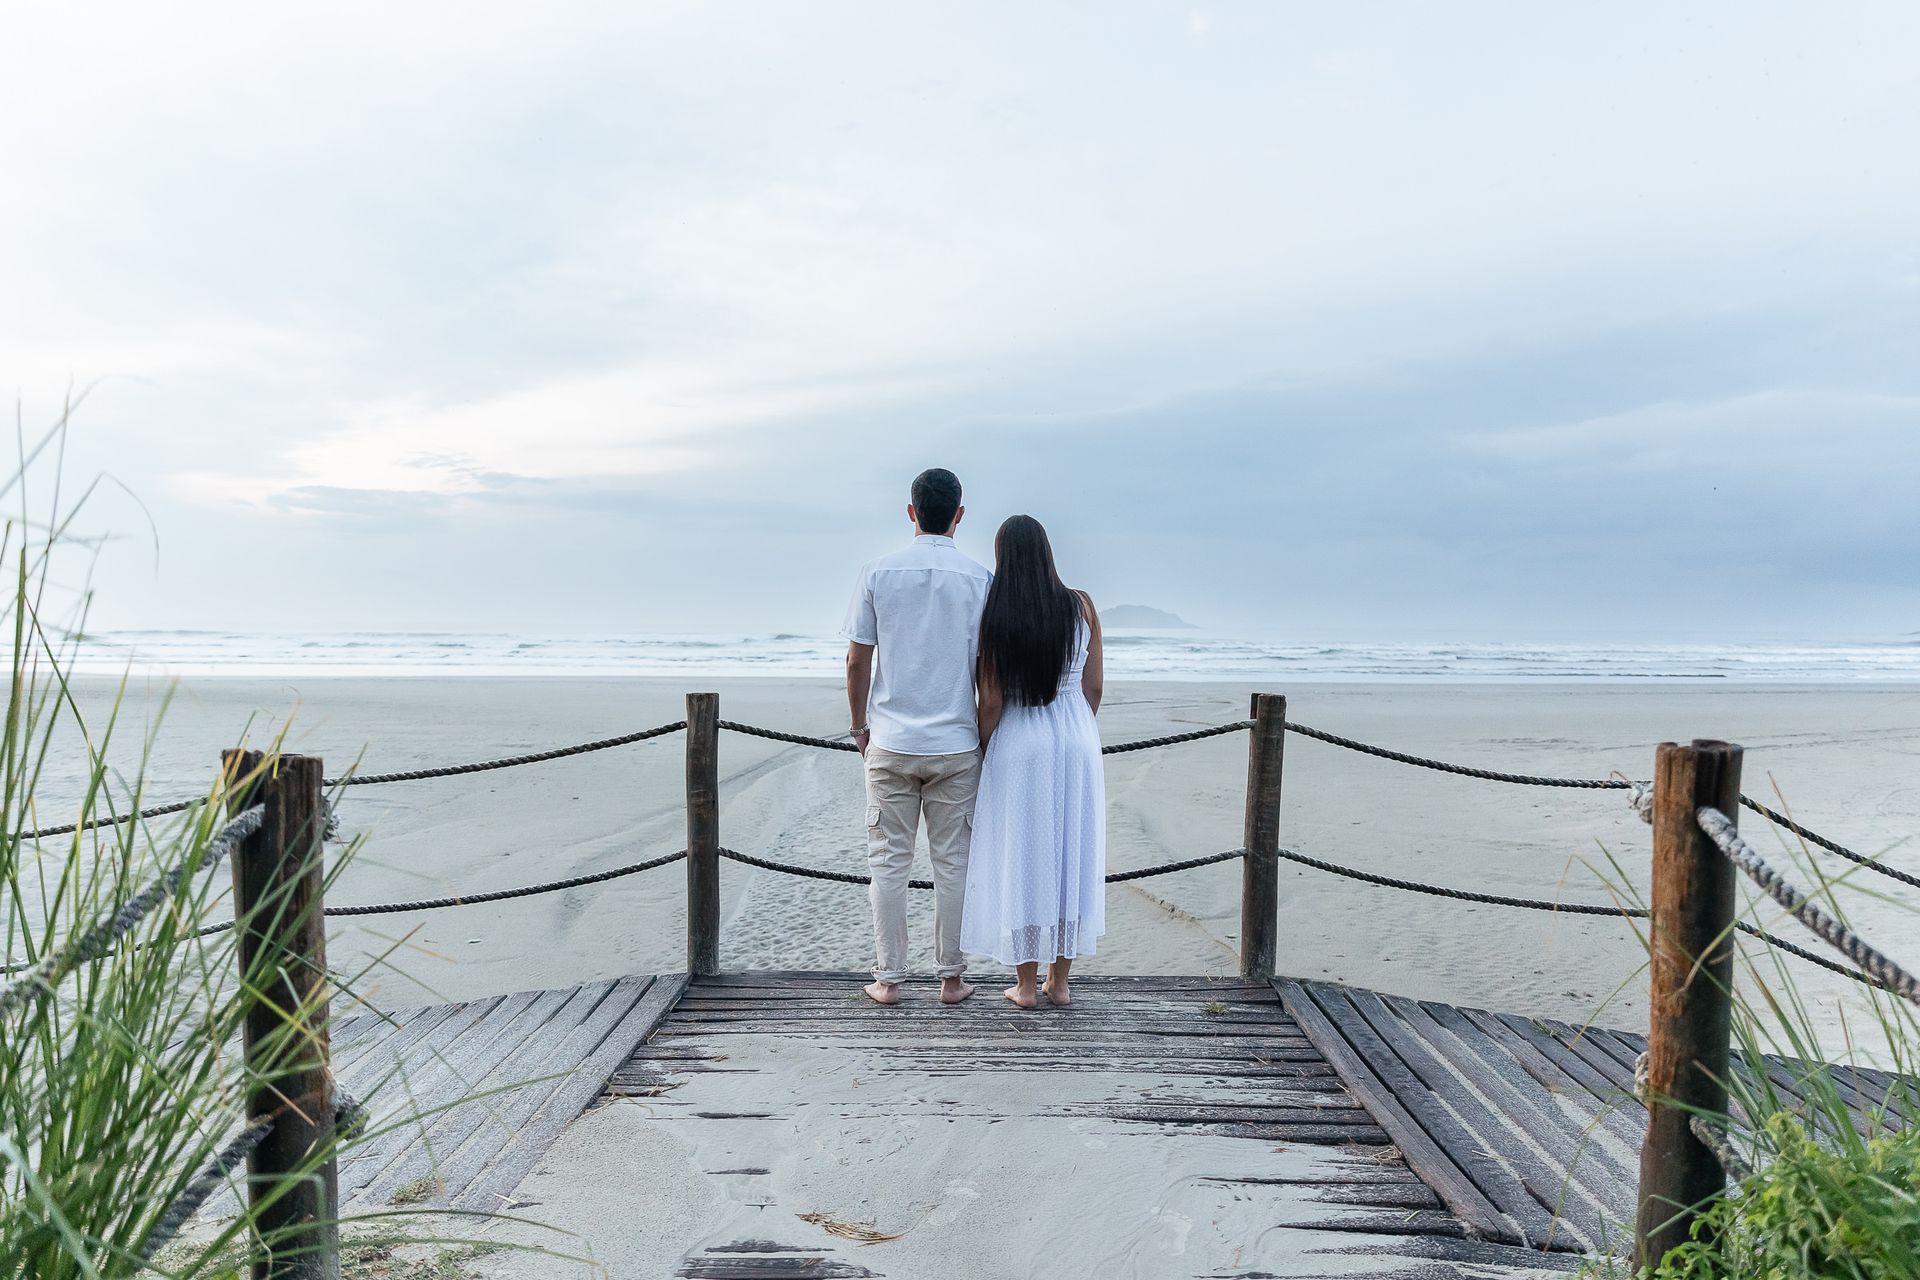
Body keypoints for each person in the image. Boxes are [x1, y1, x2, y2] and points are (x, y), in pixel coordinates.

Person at [842, 468, 993, 1006]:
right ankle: (951, 979)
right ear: (959, 515)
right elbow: (987, 671)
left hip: (891, 738)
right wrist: (984, 735)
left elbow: (858, 660)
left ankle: (888, 979)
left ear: (911, 511)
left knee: (888, 863)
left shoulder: (877, 572)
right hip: (956, 742)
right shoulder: (980, 579)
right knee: (954, 864)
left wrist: (859, 726)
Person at [961, 514, 1106, 1008]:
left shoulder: (996, 615)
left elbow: (991, 700)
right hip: (1076, 737)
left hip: (1021, 739)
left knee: (1023, 856)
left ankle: (1024, 985)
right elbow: (1093, 688)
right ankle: (1059, 982)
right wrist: (1073, 727)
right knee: (1071, 853)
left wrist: (987, 747)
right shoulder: (1082, 605)